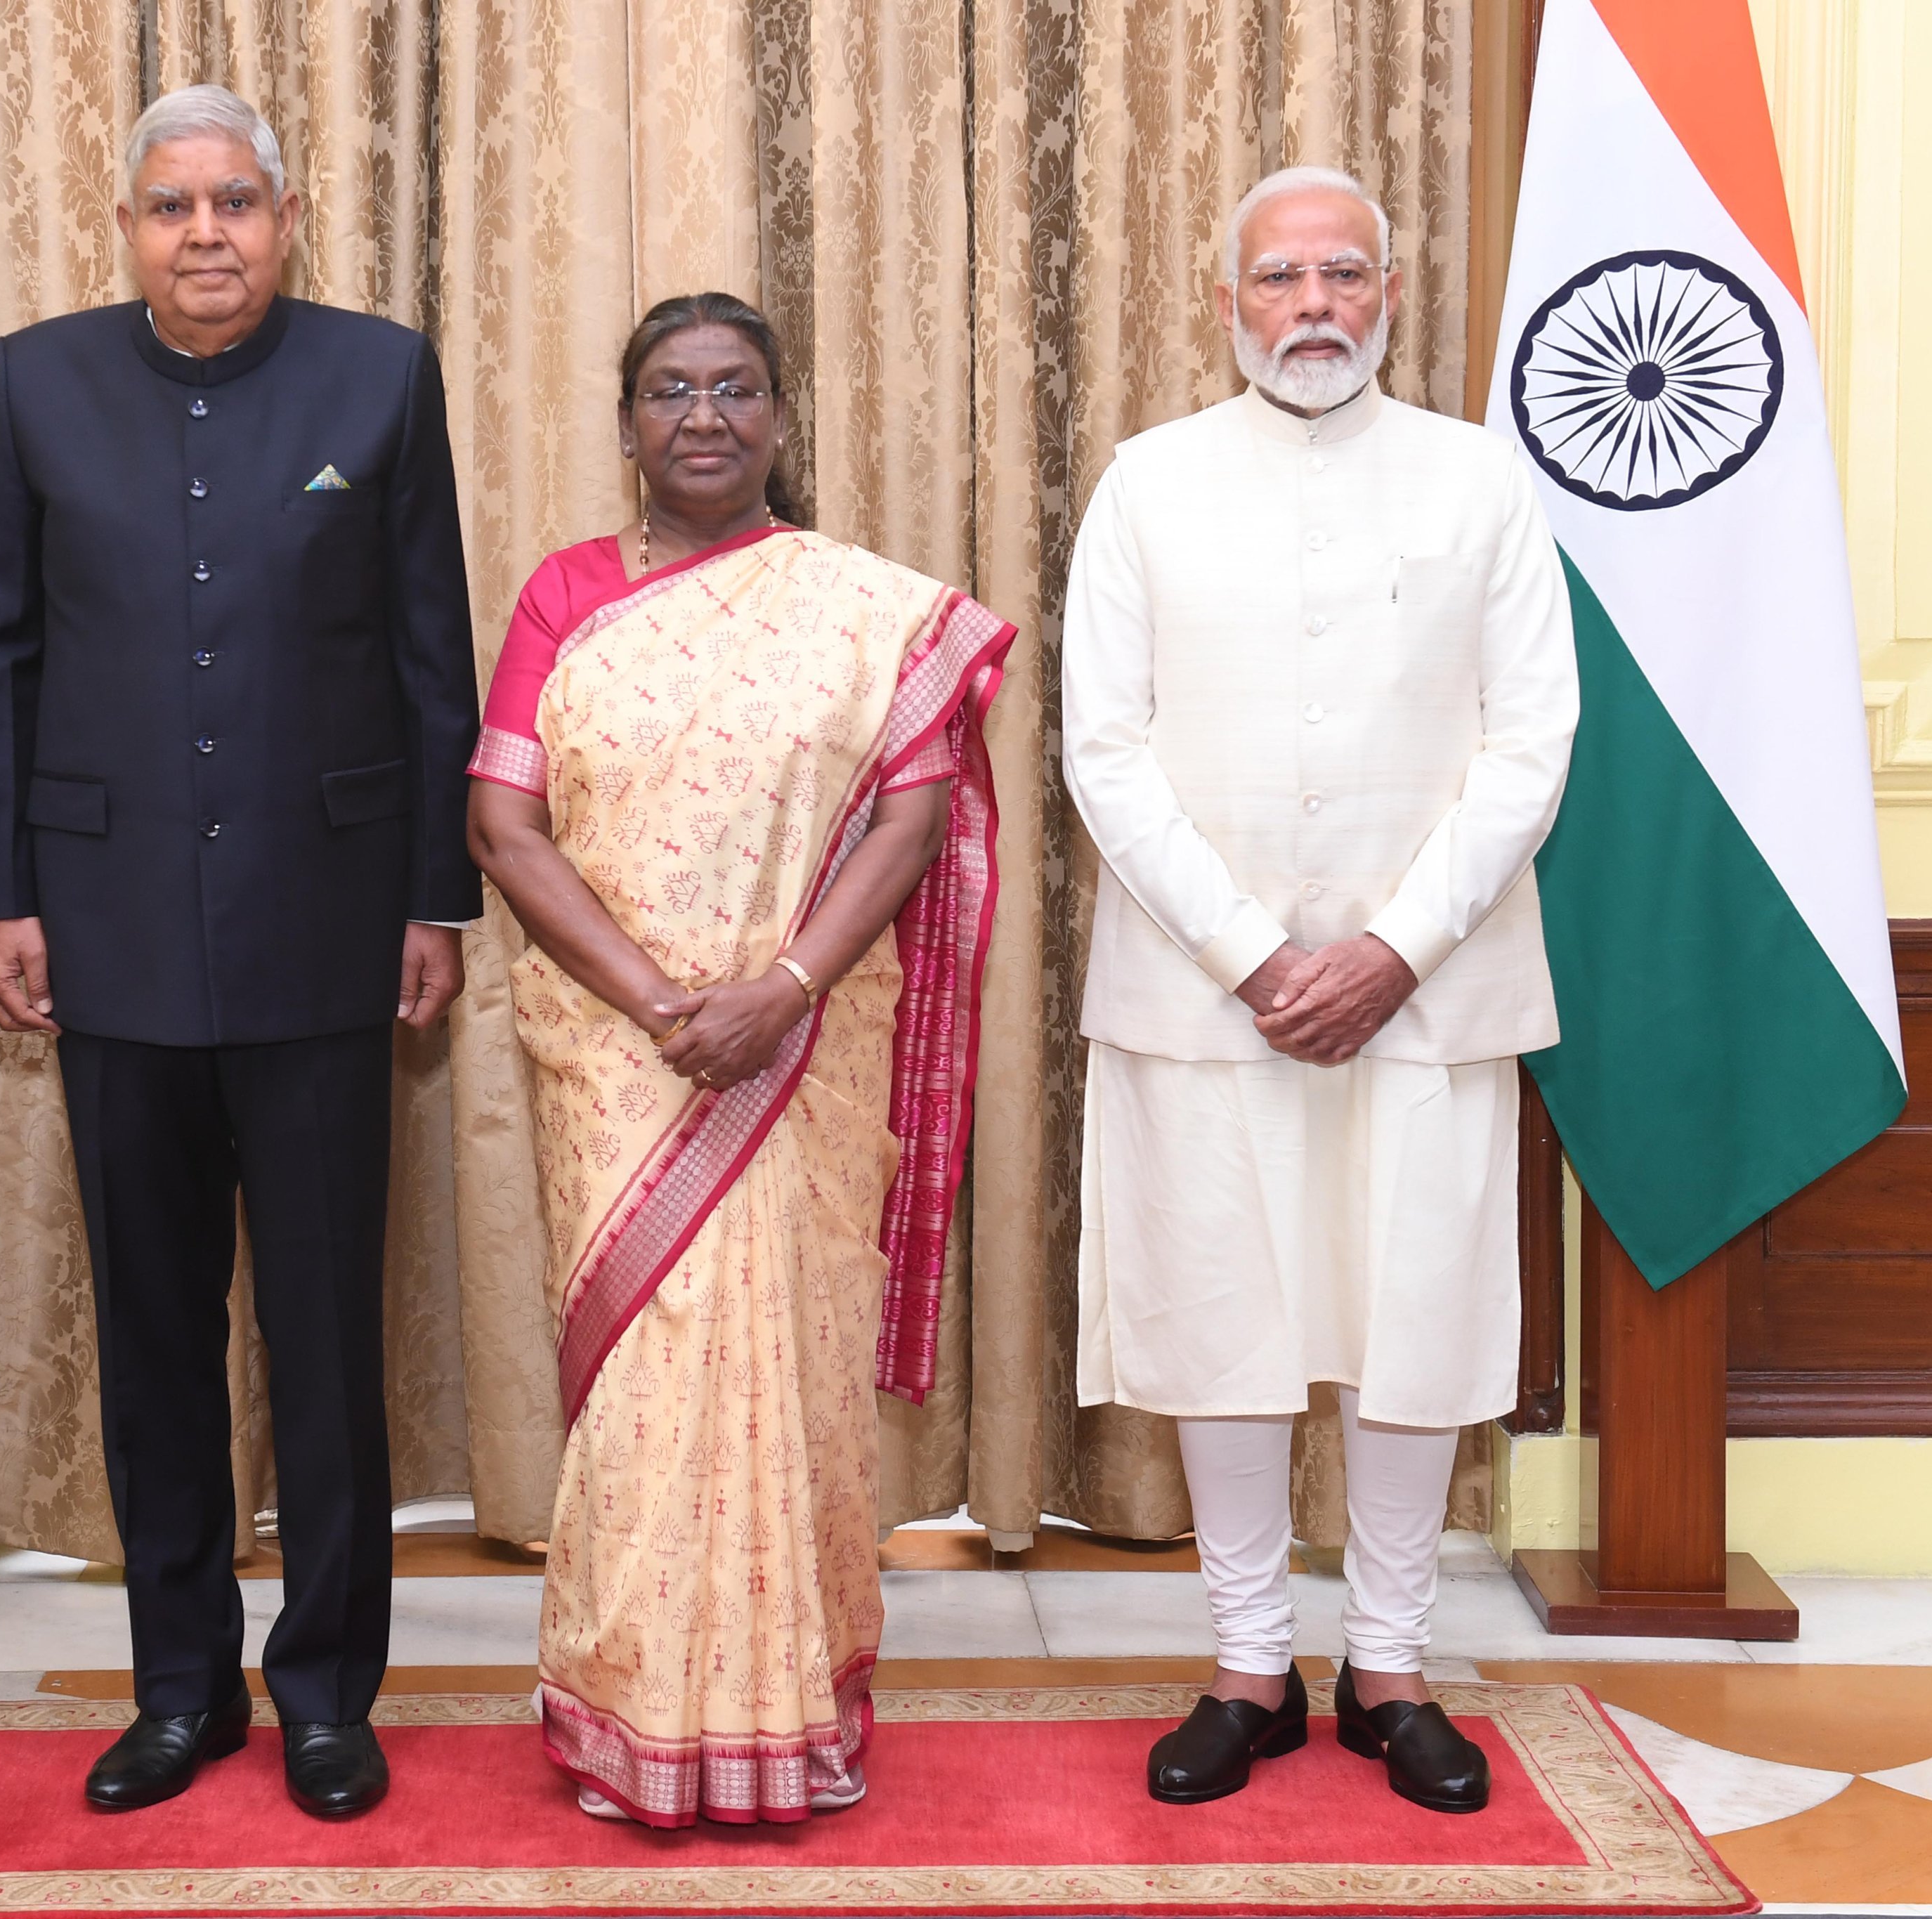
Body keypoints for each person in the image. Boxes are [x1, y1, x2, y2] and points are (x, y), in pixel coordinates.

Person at [0, 84, 481, 1821]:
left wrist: (434, 897)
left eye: (236, 203)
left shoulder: (377, 376)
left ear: (286, 215)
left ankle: (327, 1691)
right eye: (171, 205)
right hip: (104, 946)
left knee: (326, 1347)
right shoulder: (38, 382)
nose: (205, 234)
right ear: (127, 227)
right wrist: (2, 894)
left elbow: (428, 658)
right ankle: (179, 1690)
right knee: (155, 1343)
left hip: (327, 939)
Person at [1061, 165, 1577, 1814]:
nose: (1309, 307)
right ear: (1226, 305)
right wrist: (1258, 957)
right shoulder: (1145, 485)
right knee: (1226, 1325)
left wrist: (1388, 948)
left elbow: (1528, 744)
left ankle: (1391, 1668)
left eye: (1339, 275)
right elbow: (1103, 749)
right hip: (1202, 995)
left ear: (1388, 296)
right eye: (1276, 278)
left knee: (1405, 1323)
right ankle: (1242, 1666)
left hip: (1427, 994)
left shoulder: (1479, 483)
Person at [469, 293, 1013, 1827]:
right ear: (627, 419)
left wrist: (780, 988)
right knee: (646, 1391)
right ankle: (630, 1721)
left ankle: (787, 1720)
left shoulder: (860, 606)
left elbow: (908, 814)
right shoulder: (561, 596)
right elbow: (503, 825)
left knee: (788, 1378)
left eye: (734, 388)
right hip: (620, 1057)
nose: (701, 415)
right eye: (666, 390)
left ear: (779, 415)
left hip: (799, 1050)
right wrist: (659, 1001)